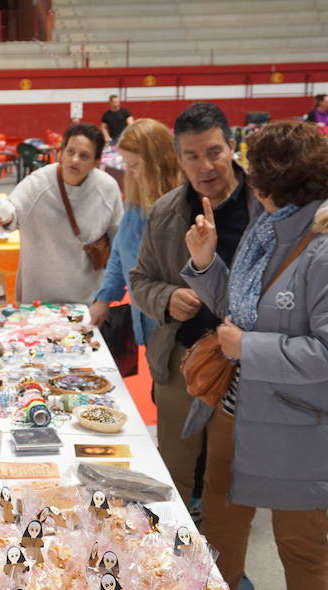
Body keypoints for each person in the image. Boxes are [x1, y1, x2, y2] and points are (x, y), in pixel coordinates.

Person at [181, 121, 328, 590]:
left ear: (275, 181)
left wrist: (247, 349)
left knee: (300, 543)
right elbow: (245, 312)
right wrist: (205, 264)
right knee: (220, 531)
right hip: (240, 406)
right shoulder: (275, 226)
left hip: (302, 423)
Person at [129, 102, 260, 510]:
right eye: (192, 156)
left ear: (232, 146)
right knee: (175, 467)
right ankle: (170, 557)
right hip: (182, 357)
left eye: (214, 152)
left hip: (248, 363)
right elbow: (140, 280)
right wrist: (167, 298)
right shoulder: (168, 211)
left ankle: (223, 564)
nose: (205, 165)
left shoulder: (264, 205)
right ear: (179, 159)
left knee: (232, 473)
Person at [0, 123, 122, 304]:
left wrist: (105, 299)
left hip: (87, 299)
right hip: (39, 298)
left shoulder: (107, 188)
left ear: (97, 161)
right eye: (70, 151)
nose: (74, 160)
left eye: (84, 156)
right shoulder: (38, 182)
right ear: (61, 151)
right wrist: (5, 217)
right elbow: (13, 210)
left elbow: (119, 242)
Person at [90, 118, 182, 348]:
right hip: (146, 318)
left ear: (157, 164)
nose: (129, 174)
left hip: (176, 326)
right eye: (126, 164)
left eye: (135, 165)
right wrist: (104, 299)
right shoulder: (137, 202)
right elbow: (120, 251)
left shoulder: (181, 205)